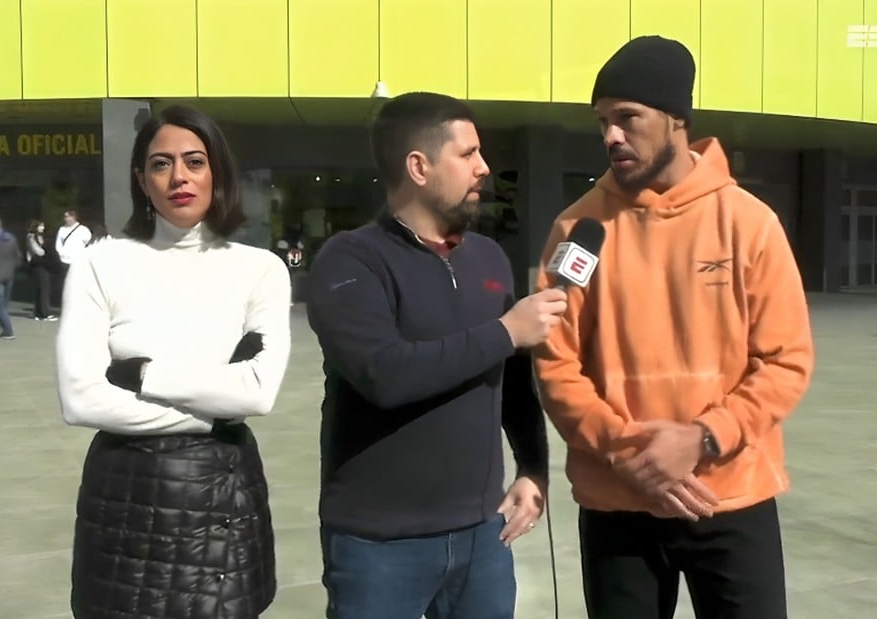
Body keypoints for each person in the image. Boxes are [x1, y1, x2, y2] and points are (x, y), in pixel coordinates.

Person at [532, 36, 815, 619]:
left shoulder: (748, 224)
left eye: (627, 118)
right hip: (618, 504)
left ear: (676, 119)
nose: (611, 135)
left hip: (730, 496)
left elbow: (787, 360)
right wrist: (629, 452)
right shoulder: (578, 231)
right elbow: (554, 360)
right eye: (602, 121)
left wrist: (702, 437)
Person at [307, 92, 566, 619]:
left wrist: (533, 470)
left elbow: (513, 381)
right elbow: (384, 374)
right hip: (378, 546)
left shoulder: (489, 257)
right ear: (419, 167)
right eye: (468, 154)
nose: (484, 168)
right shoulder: (351, 260)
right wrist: (505, 330)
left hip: (482, 538)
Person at [55, 105, 292, 619]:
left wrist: (142, 376)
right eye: (161, 164)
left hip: (223, 497)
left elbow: (257, 393)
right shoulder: (101, 264)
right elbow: (80, 399)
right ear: (141, 179)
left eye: (195, 161)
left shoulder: (259, 269)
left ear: (216, 173)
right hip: (126, 498)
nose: (178, 176)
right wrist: (217, 405)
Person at [54, 209, 91, 307]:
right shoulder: (62, 230)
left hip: (78, 261)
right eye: (65, 216)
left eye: (67, 216)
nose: (65, 219)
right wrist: (62, 253)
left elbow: (88, 243)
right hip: (65, 260)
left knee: (78, 283)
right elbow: (58, 244)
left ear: (73, 217)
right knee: (66, 284)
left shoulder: (83, 230)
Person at [26, 219, 57, 321]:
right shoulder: (31, 237)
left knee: (41, 289)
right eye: (41, 226)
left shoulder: (39, 237)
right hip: (38, 266)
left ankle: (38, 313)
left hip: (41, 265)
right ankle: (44, 313)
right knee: (43, 289)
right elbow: (39, 252)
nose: (43, 228)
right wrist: (46, 251)